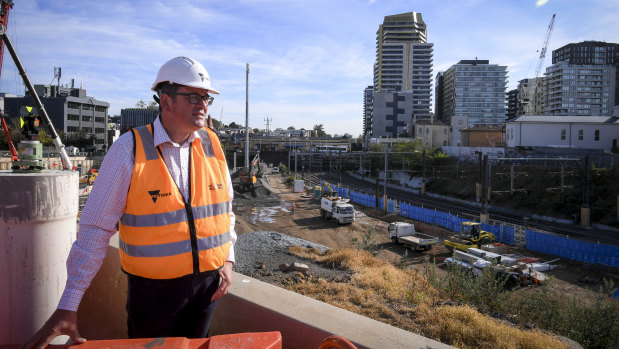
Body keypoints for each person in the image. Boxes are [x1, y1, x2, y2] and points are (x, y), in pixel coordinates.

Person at [23, 56, 236, 348]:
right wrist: (68, 305)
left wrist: (228, 258)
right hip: (154, 295)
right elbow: (95, 231)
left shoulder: (212, 143)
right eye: (193, 97)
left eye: (206, 98)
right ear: (166, 101)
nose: (202, 104)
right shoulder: (128, 150)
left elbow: (225, 209)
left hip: (207, 287)